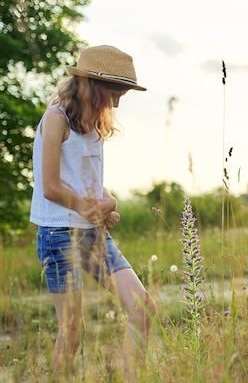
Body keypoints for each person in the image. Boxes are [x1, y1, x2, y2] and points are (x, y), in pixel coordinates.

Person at [30, 45, 156, 378]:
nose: (117, 102)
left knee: (143, 309)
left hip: (92, 235)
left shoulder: (96, 125)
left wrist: (108, 204)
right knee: (71, 332)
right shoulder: (55, 119)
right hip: (59, 234)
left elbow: (96, 185)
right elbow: (50, 187)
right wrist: (92, 210)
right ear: (93, 85)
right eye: (115, 93)